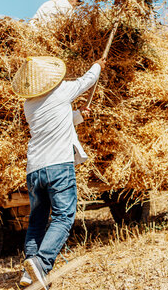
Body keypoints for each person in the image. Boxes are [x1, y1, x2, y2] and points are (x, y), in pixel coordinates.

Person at [17, 56, 105, 289]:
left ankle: (30, 270)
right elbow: (87, 81)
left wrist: (78, 115)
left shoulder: (29, 104)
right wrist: (98, 65)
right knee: (64, 217)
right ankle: (42, 263)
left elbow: (56, 122)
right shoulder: (63, 90)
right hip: (58, 166)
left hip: (35, 169)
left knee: (37, 219)